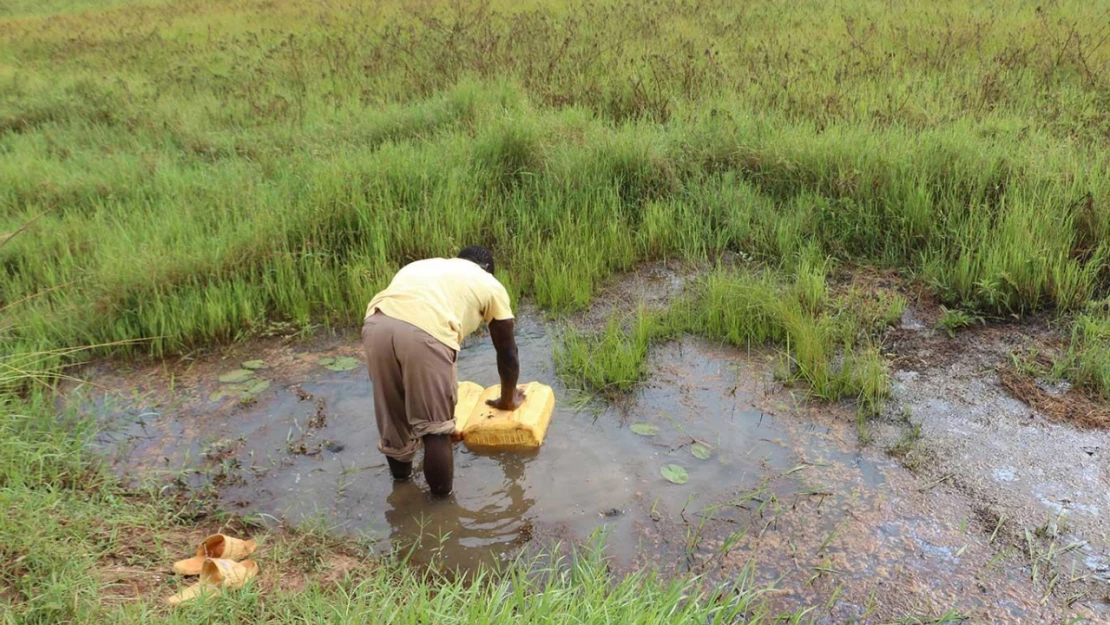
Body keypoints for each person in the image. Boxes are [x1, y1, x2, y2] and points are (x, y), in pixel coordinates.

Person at [361, 246, 524, 496]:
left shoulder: (422, 266)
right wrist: (507, 399)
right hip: (425, 333)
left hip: (375, 326)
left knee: (393, 420)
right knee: (436, 428)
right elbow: (508, 352)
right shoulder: (489, 284)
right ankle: (442, 514)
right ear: (488, 270)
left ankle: (402, 491)